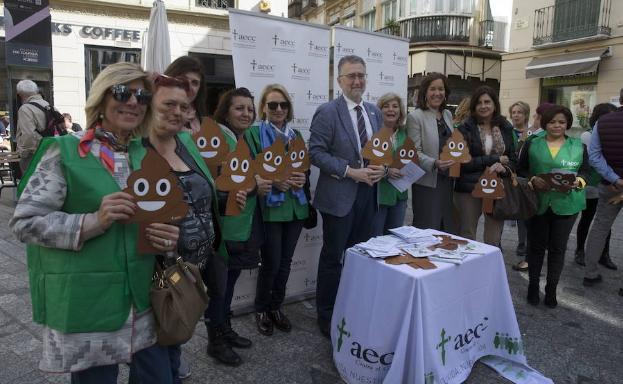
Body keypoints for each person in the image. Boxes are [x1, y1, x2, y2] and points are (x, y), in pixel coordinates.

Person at [9, 62, 178, 383]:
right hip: (90, 306)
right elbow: (25, 223)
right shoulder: (65, 152)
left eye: (142, 96)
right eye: (121, 92)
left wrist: (167, 238)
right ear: (101, 99)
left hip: (142, 303)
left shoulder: (146, 156)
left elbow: (156, 220)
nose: (132, 101)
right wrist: (93, 221)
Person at [145, 74, 233, 380]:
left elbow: (201, 191)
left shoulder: (185, 143)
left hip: (194, 267)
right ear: (148, 104)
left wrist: (228, 196)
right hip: (156, 273)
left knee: (176, 332)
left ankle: (174, 362)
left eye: (184, 106)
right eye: (169, 103)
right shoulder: (135, 150)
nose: (178, 112)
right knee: (156, 349)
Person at [309, 55, 384, 337]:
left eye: (361, 75)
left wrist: (382, 170)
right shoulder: (328, 111)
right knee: (333, 258)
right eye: (351, 76)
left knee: (360, 257)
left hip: (369, 197)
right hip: (340, 198)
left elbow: (380, 152)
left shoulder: (375, 112)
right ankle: (326, 315)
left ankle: (353, 307)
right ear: (339, 81)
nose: (357, 81)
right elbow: (315, 152)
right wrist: (351, 172)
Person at [245, 84, 309, 337]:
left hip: (295, 208)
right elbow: (247, 170)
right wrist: (273, 182)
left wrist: (302, 179)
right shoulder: (253, 134)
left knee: (285, 263)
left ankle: (276, 306)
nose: (279, 109)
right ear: (263, 108)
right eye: (273, 105)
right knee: (271, 263)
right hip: (270, 209)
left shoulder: (296, 135)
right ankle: (261, 308)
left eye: (283, 105)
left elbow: (302, 167)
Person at [207, 87, 263, 365]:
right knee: (220, 287)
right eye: (239, 108)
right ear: (226, 111)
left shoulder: (243, 138)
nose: (246, 113)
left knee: (228, 285)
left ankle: (224, 328)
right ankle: (215, 341)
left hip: (241, 225)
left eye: (250, 109)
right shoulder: (218, 140)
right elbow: (214, 186)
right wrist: (254, 187)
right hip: (223, 228)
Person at [517, 105, 589, 307]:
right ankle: (533, 287)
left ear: (567, 124)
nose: (557, 125)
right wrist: (532, 179)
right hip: (538, 203)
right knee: (536, 247)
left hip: (567, 205)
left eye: (562, 122)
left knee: (558, 248)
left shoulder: (578, 146)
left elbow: (586, 172)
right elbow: (521, 168)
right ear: (545, 123)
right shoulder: (532, 143)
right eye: (552, 122)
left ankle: (551, 289)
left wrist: (579, 182)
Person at [454, 86, 516, 246]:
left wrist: (505, 168)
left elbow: (513, 160)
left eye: (487, 102)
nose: (483, 106)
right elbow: (461, 162)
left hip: (496, 187)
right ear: (474, 106)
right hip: (469, 188)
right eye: (479, 103)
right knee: (467, 235)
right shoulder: (465, 128)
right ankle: (466, 269)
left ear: (495, 104)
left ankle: (488, 269)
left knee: (493, 237)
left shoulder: (506, 127)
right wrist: (493, 159)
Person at [582, 89, 623, 292]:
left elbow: (595, 156)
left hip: (610, 184)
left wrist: (614, 178)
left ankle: (590, 273)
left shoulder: (603, 122)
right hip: (613, 183)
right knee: (600, 227)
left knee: (599, 227)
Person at [407, 73, 456, 232]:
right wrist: (434, 163)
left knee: (446, 227)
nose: (437, 93)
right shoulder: (415, 117)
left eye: (441, 89)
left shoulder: (448, 114)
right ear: (425, 93)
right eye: (432, 89)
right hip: (427, 182)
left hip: (448, 181)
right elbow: (414, 152)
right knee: (428, 227)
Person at [575, 103, 617, 270]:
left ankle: (604, 254)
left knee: (605, 222)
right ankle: (579, 251)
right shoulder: (588, 135)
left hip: (608, 182)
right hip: (591, 184)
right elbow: (593, 158)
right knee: (588, 218)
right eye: (607, 116)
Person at [373, 92, 409, 235]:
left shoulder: (404, 133)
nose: (391, 109)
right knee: (376, 240)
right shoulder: (373, 132)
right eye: (386, 106)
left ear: (400, 112)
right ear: (379, 110)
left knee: (394, 240)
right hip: (379, 195)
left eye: (395, 106)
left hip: (400, 194)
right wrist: (387, 171)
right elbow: (368, 161)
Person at [508, 101, 531, 272]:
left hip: (523, 178)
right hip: (507, 176)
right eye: (514, 112)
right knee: (503, 209)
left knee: (523, 214)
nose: (516, 115)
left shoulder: (531, 134)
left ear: (526, 115)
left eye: (520, 112)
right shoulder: (507, 131)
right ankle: (498, 241)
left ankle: (522, 243)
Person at [165, 56, 207, 133]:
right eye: (182, 80)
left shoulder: (203, 123)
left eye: (195, 83)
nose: (189, 87)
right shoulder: (154, 116)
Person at [15, 79, 49, 172]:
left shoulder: (25, 109)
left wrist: (23, 153)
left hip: (33, 155)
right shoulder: (48, 105)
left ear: (21, 94)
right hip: (48, 152)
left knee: (30, 182)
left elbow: (28, 135)